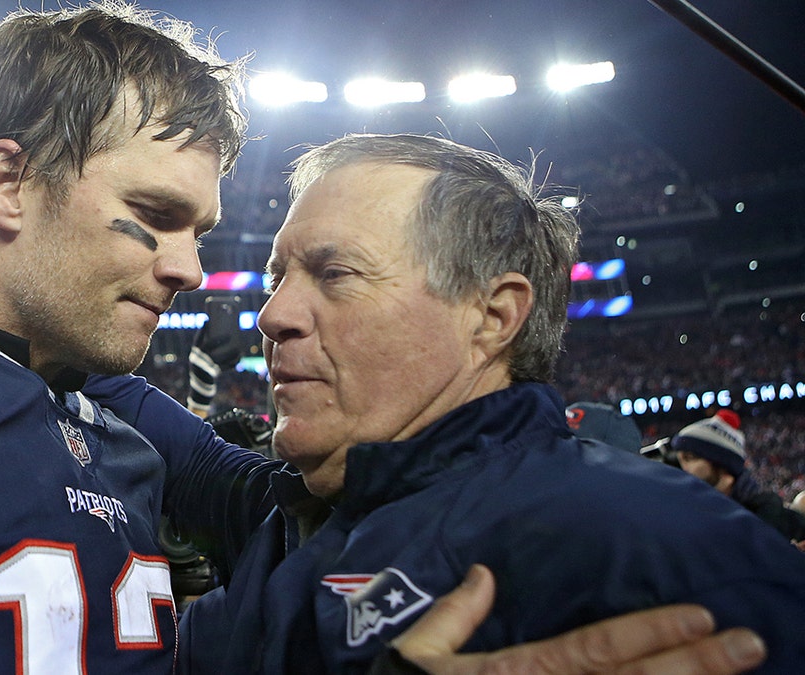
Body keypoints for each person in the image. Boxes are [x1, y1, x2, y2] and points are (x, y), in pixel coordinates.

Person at [0, 4, 770, 673]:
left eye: (200, 230)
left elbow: (382, 481)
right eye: (155, 217)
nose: (191, 270)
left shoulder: (121, 417)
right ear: (7, 179)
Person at [156, 133, 804, 673]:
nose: (273, 315)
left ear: (493, 316)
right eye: (277, 278)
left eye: (334, 274)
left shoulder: (671, 560)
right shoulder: (286, 517)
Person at [673, 410, 805, 542]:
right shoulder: (687, 513)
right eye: (680, 461)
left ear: (721, 463)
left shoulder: (774, 518)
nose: (683, 468)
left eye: (689, 458)